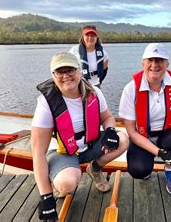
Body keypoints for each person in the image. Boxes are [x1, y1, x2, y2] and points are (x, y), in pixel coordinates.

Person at [31, 52, 129, 220]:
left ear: (79, 71)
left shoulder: (94, 92)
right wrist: (45, 196)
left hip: (89, 145)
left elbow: (107, 118)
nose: (66, 75)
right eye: (60, 72)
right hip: (64, 152)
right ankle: (57, 182)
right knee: (67, 184)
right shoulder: (46, 103)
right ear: (53, 75)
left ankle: (95, 169)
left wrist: (111, 130)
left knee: (123, 140)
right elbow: (38, 153)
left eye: (70, 70)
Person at [118, 43, 171, 195]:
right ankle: (148, 166)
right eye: (150, 60)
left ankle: (170, 171)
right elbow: (130, 131)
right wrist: (160, 153)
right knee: (138, 170)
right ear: (143, 63)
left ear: (167, 64)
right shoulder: (130, 89)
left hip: (167, 134)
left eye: (159, 61)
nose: (154, 65)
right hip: (141, 137)